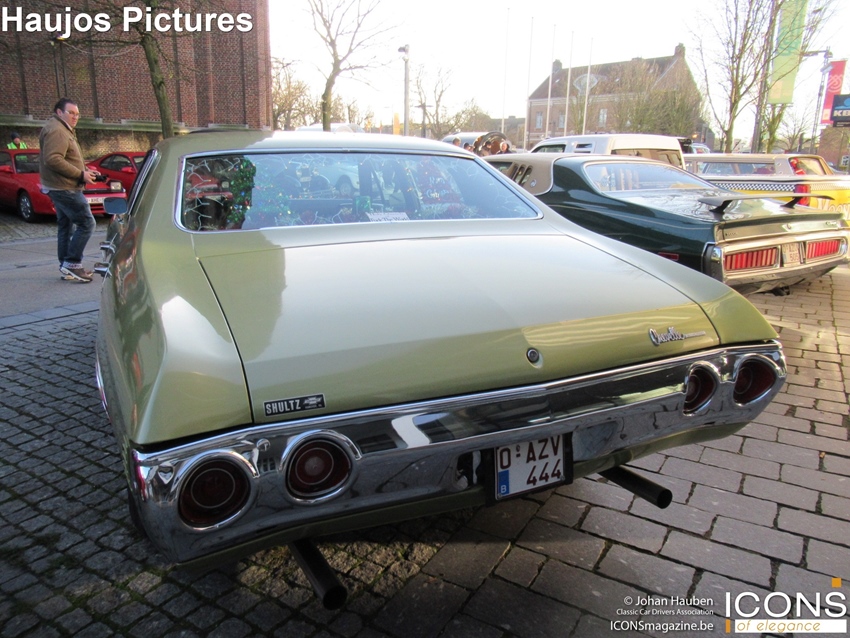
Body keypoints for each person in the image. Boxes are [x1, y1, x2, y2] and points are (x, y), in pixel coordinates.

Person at [39, 98, 100, 283]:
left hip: (59, 185)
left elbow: (67, 157)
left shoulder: (61, 128)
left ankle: (66, 265)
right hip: (65, 187)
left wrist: (86, 170)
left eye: (77, 114)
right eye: (71, 113)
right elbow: (53, 159)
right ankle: (72, 263)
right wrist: (80, 174)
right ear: (59, 112)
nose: (75, 117)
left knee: (66, 226)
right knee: (86, 223)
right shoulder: (58, 130)